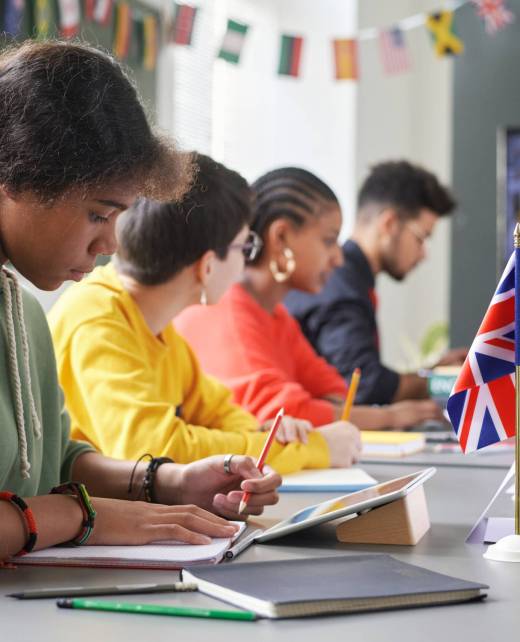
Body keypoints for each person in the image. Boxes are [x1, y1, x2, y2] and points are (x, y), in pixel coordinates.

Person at [0, 41, 280, 563]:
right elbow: (55, 497)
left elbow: (53, 462)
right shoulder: (82, 314)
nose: (108, 246)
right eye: (98, 215)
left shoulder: (25, 314)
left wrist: (166, 483)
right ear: (17, 176)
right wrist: (84, 516)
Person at [49, 154, 360, 474]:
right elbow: (153, 450)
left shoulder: (155, 324)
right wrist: (307, 449)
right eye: (245, 247)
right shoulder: (96, 321)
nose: (246, 263)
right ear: (208, 266)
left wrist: (270, 434)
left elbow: (219, 412)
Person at [176, 167, 441, 430]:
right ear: (280, 237)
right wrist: (390, 417)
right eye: (328, 241)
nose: (338, 258)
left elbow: (336, 392)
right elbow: (283, 414)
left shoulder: (276, 316)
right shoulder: (225, 311)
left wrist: (322, 411)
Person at [285, 160, 466, 405]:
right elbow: (362, 386)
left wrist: (431, 372)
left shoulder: (352, 281)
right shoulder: (340, 286)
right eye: (422, 238)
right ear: (389, 223)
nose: (424, 254)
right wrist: (439, 380)